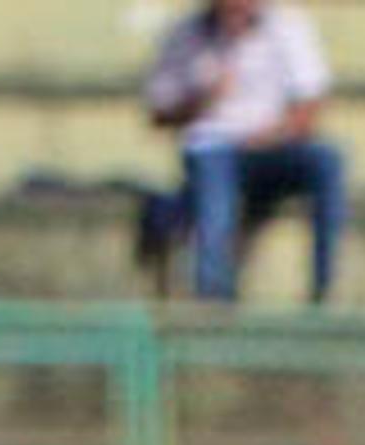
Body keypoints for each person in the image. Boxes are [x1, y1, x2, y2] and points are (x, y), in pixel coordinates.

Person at [140, 0, 348, 305]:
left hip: (275, 147)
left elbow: (309, 108)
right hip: (213, 148)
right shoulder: (185, 35)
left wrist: (267, 137)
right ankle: (213, 295)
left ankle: (323, 288)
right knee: (212, 168)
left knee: (328, 160)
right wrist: (202, 101)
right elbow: (159, 113)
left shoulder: (288, 26)